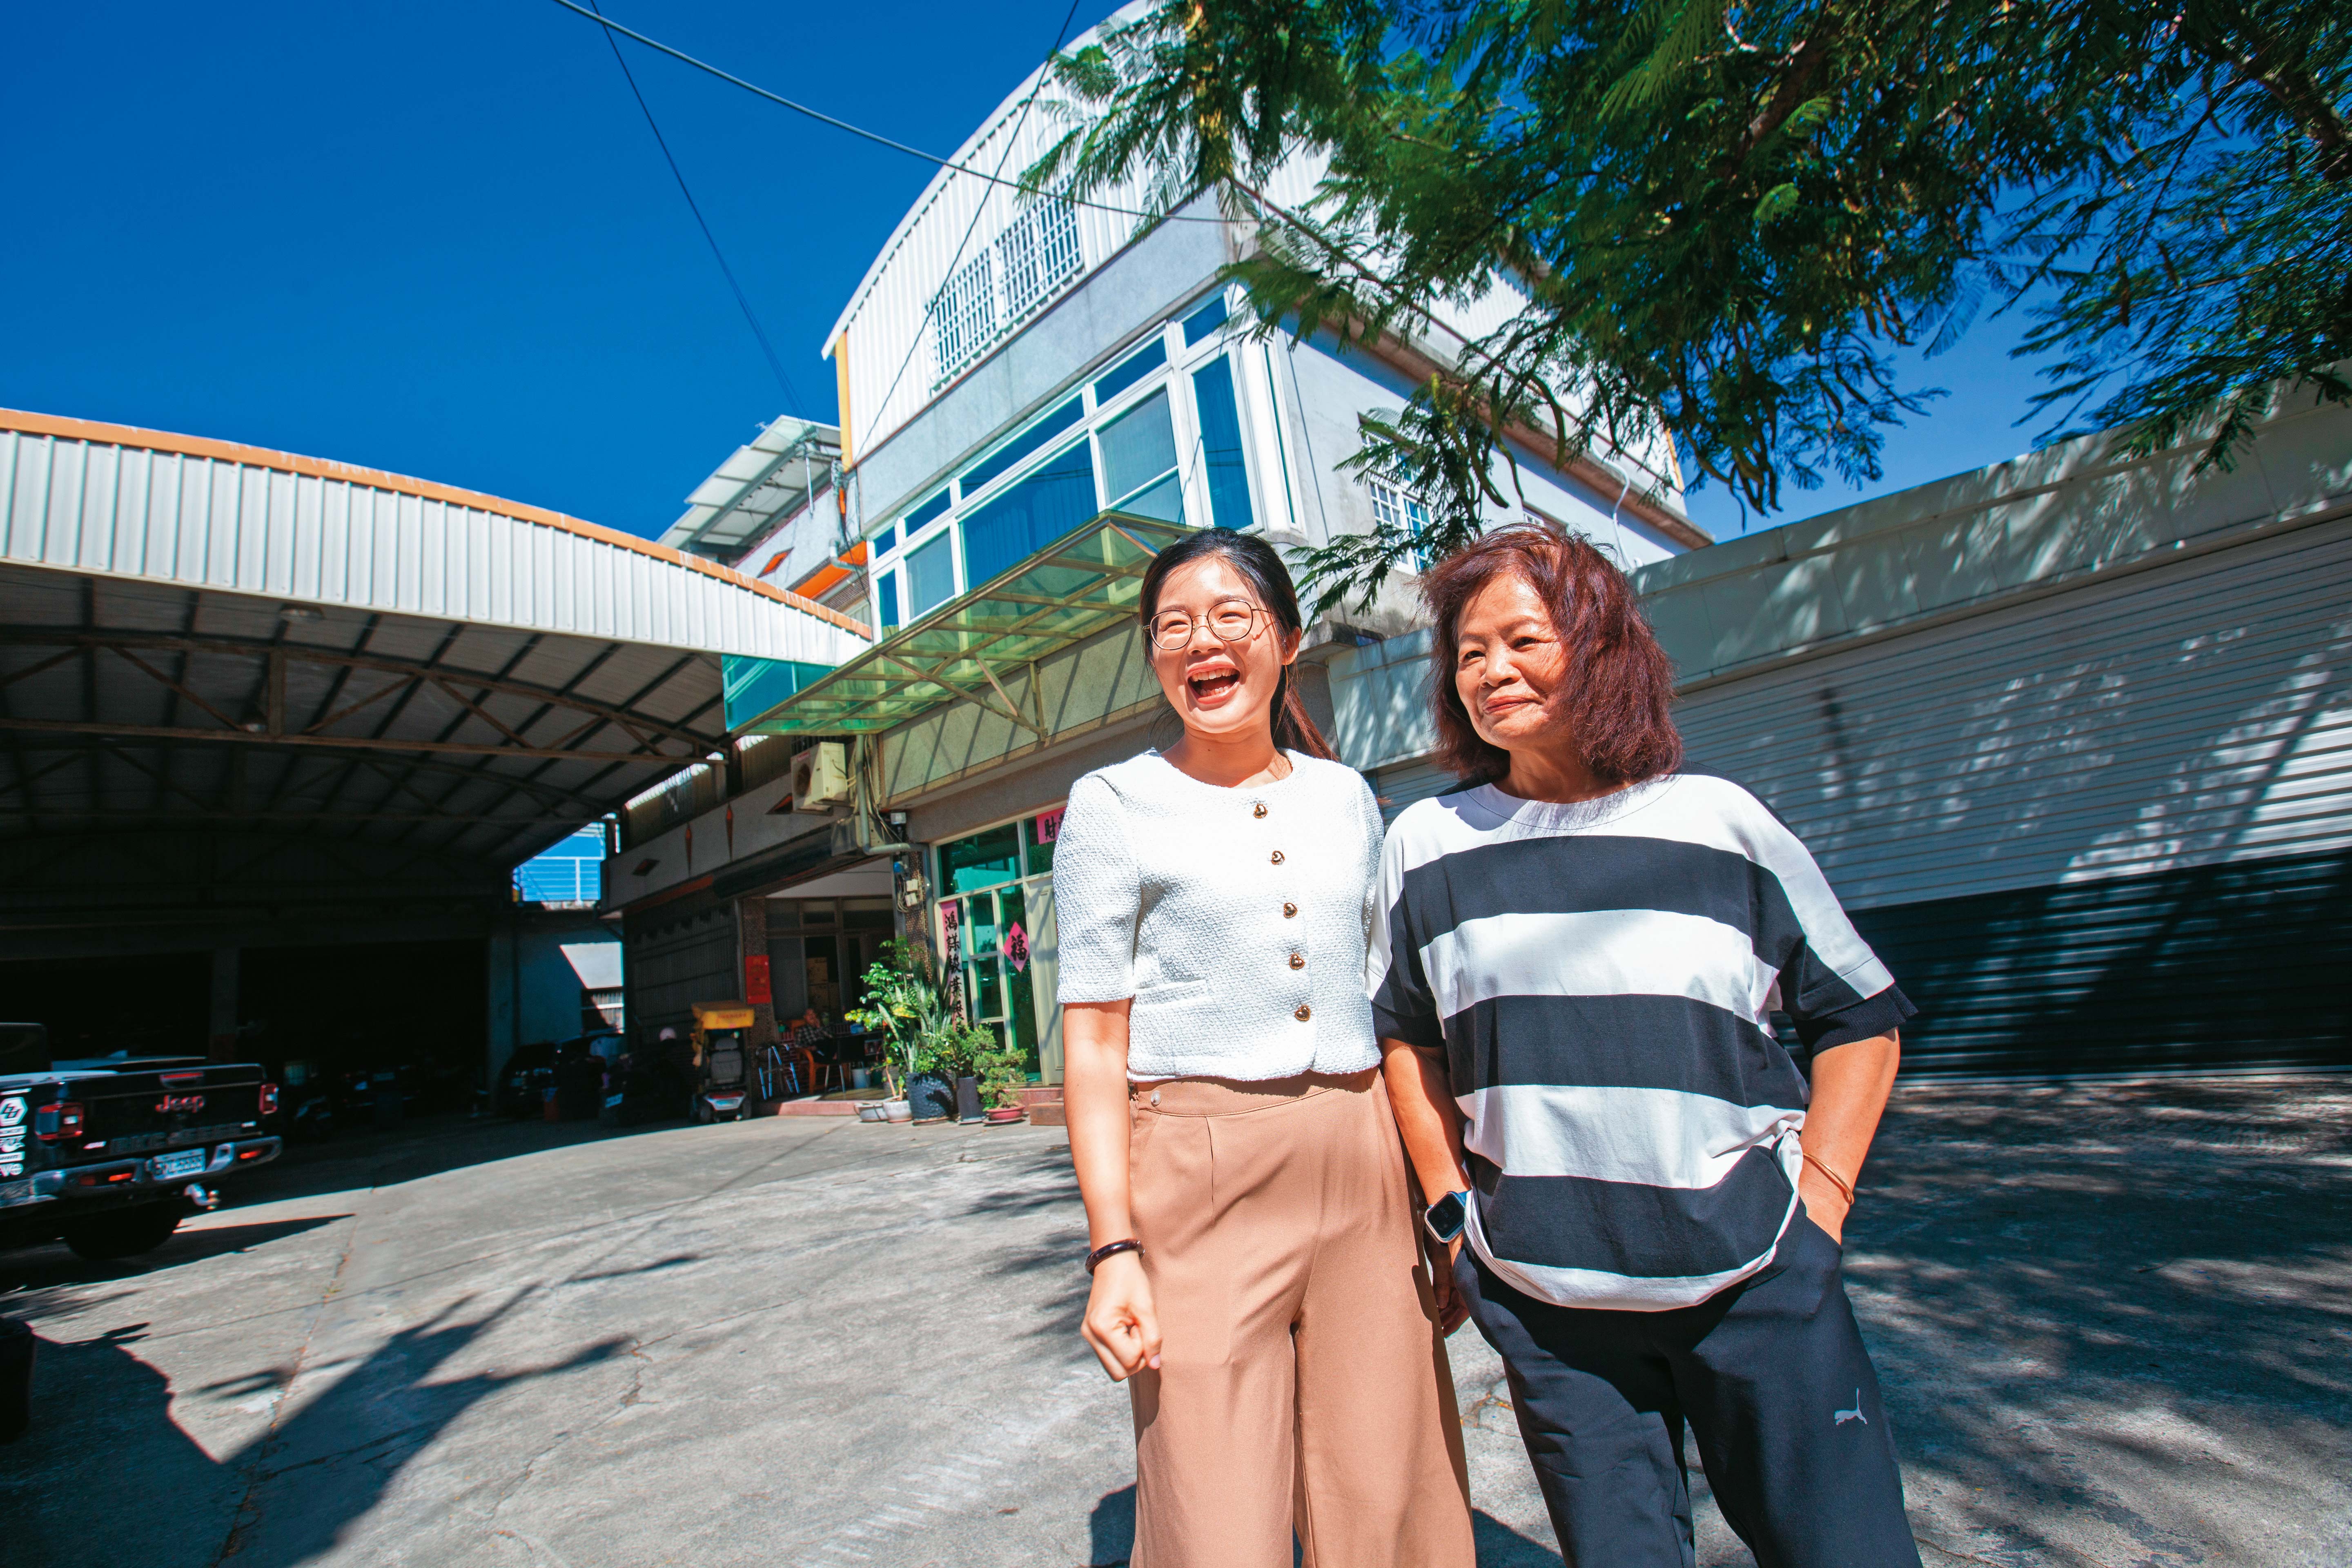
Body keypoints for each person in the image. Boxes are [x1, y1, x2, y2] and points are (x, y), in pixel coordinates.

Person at [1373, 523, 1924, 1568]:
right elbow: (1406, 1040)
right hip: (1550, 1309)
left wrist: (1824, 1208)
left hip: (1757, 1281)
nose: (1491, 670)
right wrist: (1453, 1215)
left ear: (1599, 642)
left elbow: (1860, 1015)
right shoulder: (1426, 847)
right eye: (1469, 651)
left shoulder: (1719, 825)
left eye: (1523, 640)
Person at [1054, 527, 1474, 1568]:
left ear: (1285, 640)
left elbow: (1394, 1011)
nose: (1203, 641)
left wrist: (1441, 1193)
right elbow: (1096, 1042)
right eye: (1174, 626)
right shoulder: (1113, 807)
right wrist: (1113, 1250)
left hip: (1362, 1153)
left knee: (1390, 1482)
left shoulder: (1345, 798)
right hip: (1197, 1168)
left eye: (1231, 616)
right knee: (1214, 1503)